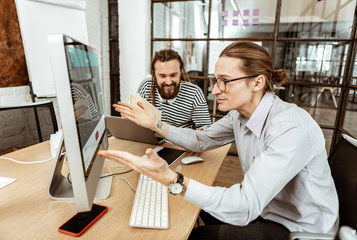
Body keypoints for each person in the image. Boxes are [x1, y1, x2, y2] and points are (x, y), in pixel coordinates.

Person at [99, 41, 339, 240]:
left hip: (300, 229)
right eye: (216, 80)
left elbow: (245, 206)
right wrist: (155, 124)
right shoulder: (239, 115)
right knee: (190, 208)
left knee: (196, 236)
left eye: (225, 80)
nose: (214, 90)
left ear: (257, 82)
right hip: (267, 208)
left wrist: (173, 179)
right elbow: (202, 140)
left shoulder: (289, 127)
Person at [136, 49, 211, 129]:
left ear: (180, 72)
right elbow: (135, 117)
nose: (168, 82)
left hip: (181, 140)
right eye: (162, 76)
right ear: (154, 74)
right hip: (149, 140)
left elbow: (205, 127)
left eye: (173, 75)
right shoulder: (146, 86)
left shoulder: (194, 93)